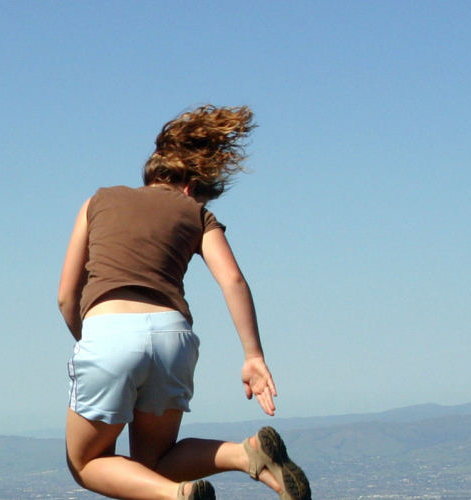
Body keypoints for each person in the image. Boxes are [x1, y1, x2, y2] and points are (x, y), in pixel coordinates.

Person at [55, 105, 311, 500]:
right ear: (191, 186)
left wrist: (92, 338)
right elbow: (233, 280)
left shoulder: (98, 201)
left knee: (86, 463)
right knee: (153, 466)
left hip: (109, 332)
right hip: (174, 338)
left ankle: (178, 497)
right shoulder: (197, 214)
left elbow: (66, 296)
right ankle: (247, 455)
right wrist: (253, 356)